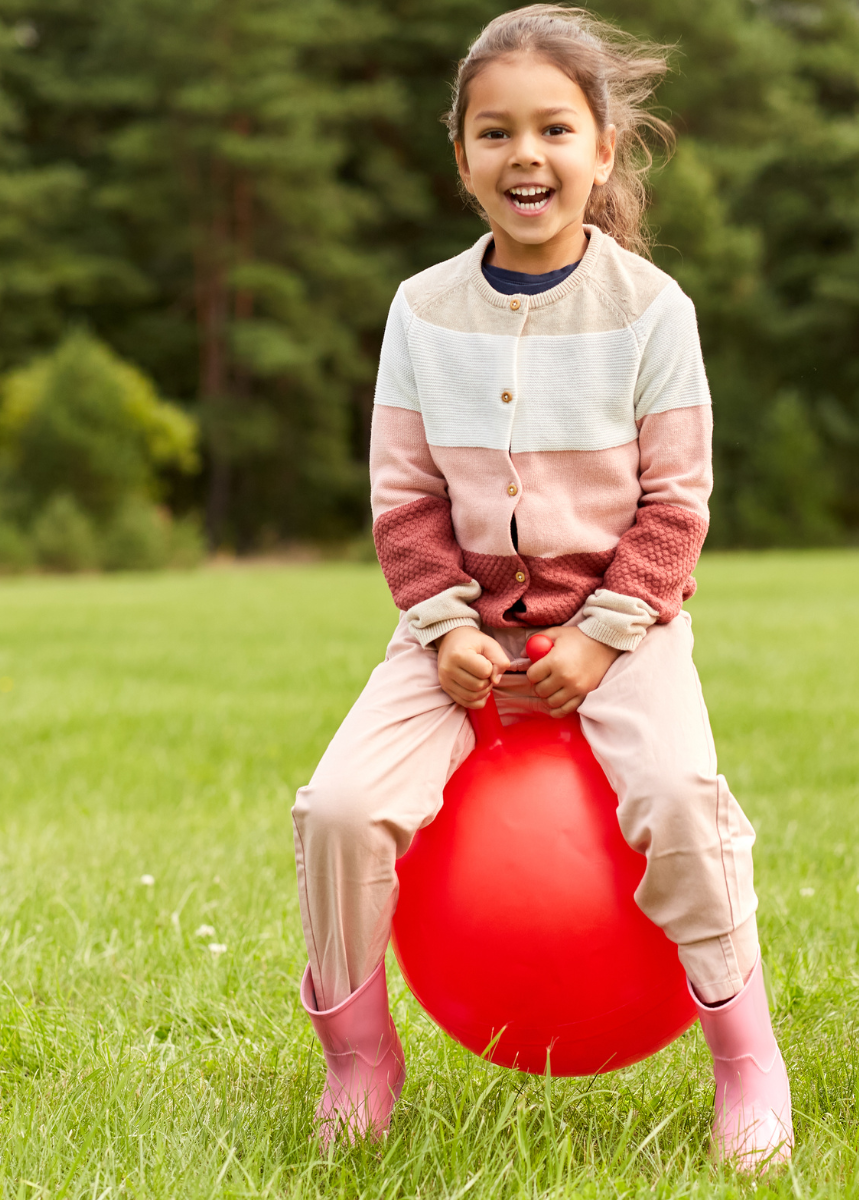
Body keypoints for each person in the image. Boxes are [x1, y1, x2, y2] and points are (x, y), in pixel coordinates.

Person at [291, 4, 794, 1171]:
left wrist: (607, 638)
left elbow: (676, 505)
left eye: (556, 129)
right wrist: (441, 627)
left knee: (678, 795)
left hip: (624, 628)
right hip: (456, 632)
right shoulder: (422, 312)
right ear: (460, 155)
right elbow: (405, 497)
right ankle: (359, 1056)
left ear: (603, 150)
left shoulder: (651, 313)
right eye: (496, 132)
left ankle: (744, 1056)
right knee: (338, 809)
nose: (528, 155)